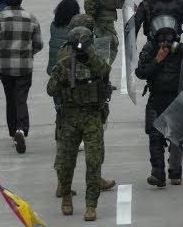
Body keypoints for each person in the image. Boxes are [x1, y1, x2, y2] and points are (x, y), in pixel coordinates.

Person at [47, 26, 111, 221]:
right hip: (70, 118)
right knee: (65, 163)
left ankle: (91, 205)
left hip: (92, 117)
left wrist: (89, 53)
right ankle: (66, 195)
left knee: (93, 162)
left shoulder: (96, 63)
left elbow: (104, 69)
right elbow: (50, 90)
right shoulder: (65, 64)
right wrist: (61, 78)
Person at [136, 17, 183, 187]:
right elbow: (141, 72)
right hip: (157, 97)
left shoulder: (181, 50)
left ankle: (175, 172)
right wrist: (157, 60)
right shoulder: (150, 48)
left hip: (177, 98)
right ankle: (158, 172)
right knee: (155, 135)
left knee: (177, 137)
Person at [0, 0, 43, 154]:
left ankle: (13, 132)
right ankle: (21, 129)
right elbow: (39, 44)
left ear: (5, 1)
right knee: (21, 98)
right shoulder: (31, 18)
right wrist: (28, 53)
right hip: (24, 66)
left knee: (10, 98)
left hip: (4, 66)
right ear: (21, 0)